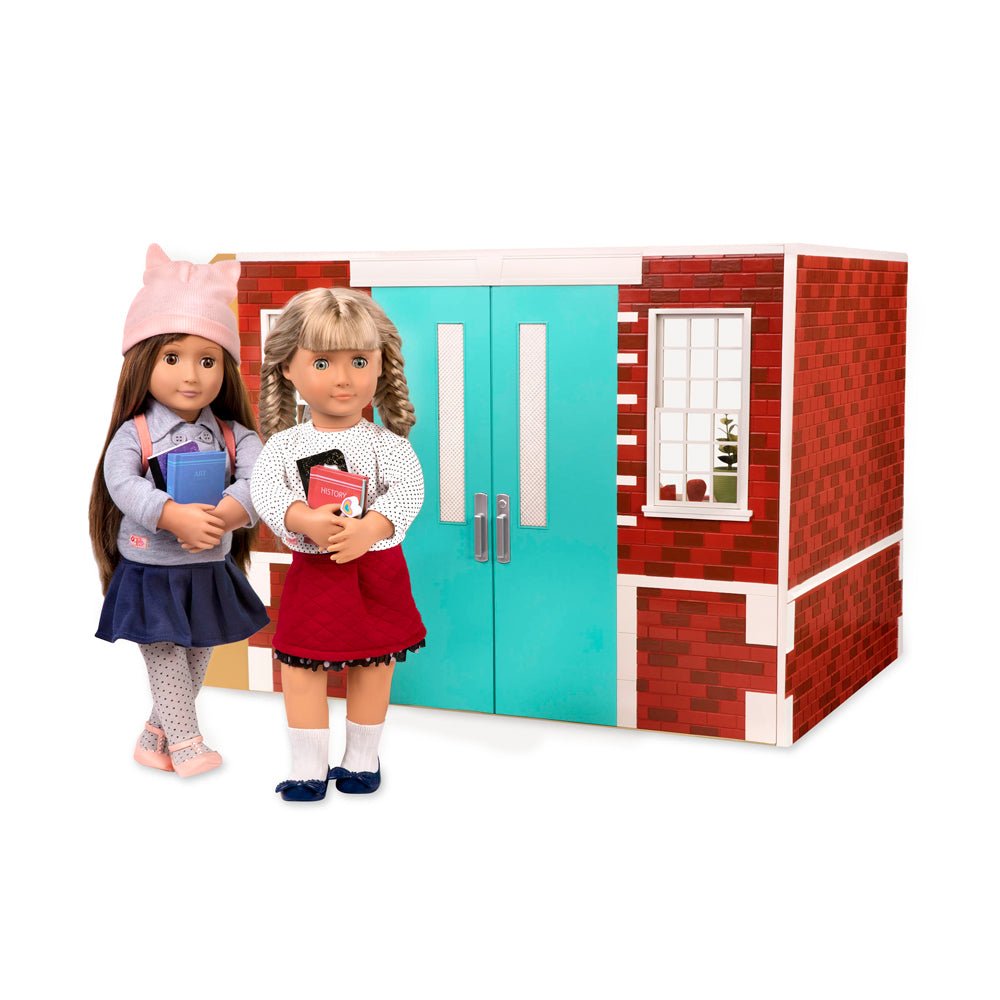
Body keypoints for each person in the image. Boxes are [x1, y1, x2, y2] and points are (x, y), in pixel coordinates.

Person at [90, 244, 269, 777]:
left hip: (208, 567)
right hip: (152, 568)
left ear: (224, 369)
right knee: (166, 653)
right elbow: (120, 481)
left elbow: (259, 480)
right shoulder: (136, 433)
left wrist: (226, 516)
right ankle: (187, 744)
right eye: (172, 357)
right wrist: (170, 515)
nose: (191, 375)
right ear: (142, 362)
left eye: (207, 360)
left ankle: (154, 737)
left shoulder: (236, 435)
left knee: (197, 653)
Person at [251, 287, 426, 802]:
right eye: (323, 362)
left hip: (376, 574)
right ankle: (308, 767)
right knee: (300, 669)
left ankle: (362, 759)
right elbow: (267, 490)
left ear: (380, 366)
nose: (343, 378)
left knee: (374, 666)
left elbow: (408, 490)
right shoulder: (284, 446)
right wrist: (302, 517)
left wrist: (372, 527)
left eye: (359, 361)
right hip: (315, 575)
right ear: (288, 368)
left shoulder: (388, 445)